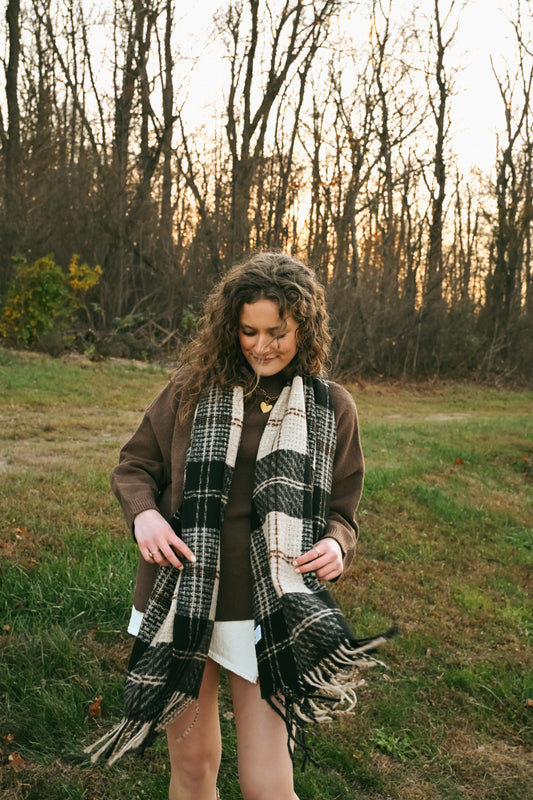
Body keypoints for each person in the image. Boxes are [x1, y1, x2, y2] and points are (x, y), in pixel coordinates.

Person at [85, 252, 390, 800]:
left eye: (278, 331)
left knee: (268, 784)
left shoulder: (331, 407)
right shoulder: (190, 388)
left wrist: (336, 544)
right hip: (184, 593)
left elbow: (344, 513)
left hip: (268, 606)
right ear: (232, 327)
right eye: (249, 331)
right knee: (195, 767)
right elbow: (134, 467)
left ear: (305, 326)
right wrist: (146, 515)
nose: (262, 345)